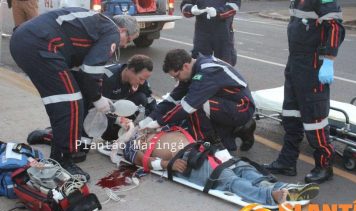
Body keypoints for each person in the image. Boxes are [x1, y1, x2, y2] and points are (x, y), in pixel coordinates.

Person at [10, 7, 140, 180]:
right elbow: (91, 70)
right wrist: (97, 98)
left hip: (25, 41)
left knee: (63, 100)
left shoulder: (95, 23)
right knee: (71, 103)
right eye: (128, 39)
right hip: (40, 44)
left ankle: (54, 137)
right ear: (122, 30)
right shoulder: (111, 31)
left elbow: (81, 71)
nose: (124, 45)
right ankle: (61, 159)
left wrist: (95, 95)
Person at [116, 122, 320, 205]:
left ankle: (283, 188)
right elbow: (143, 161)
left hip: (203, 150)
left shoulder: (157, 126)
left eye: (128, 120)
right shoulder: (132, 144)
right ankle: (270, 196)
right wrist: (168, 165)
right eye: (123, 123)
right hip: (186, 161)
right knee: (226, 178)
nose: (126, 122)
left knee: (241, 167)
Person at [264, 0, 345, 184]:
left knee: (314, 119)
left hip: (313, 65)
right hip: (295, 63)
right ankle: (287, 162)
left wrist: (329, 61)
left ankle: (324, 166)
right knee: (291, 116)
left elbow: (334, 27)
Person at [26, 55, 155, 162]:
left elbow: (150, 101)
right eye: (141, 78)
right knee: (79, 152)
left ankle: (113, 132)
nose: (142, 82)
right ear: (130, 70)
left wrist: (150, 122)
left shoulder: (140, 82)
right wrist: (118, 121)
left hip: (109, 115)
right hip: (88, 114)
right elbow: (91, 108)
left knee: (141, 98)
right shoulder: (105, 78)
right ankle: (50, 135)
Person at [139, 49, 256, 151]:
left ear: (185, 66)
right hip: (228, 103)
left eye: (177, 76)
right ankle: (239, 129)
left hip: (242, 107)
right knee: (191, 104)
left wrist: (157, 123)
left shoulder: (206, 72)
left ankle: (208, 144)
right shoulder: (194, 69)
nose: (176, 80)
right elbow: (171, 100)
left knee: (196, 106)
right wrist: (147, 120)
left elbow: (187, 106)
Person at [180, 0, 240, 66]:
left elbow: (234, 6)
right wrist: (190, 9)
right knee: (200, 63)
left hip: (223, 32)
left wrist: (218, 12)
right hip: (202, 31)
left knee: (224, 64)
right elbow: (185, 4)